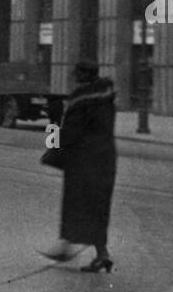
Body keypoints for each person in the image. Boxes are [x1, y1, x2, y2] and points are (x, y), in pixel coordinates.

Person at [40, 60, 116, 273]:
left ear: (83, 76)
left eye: (77, 75)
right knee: (96, 207)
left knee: (76, 204)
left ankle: (66, 248)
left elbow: (70, 133)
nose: (74, 78)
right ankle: (101, 254)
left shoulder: (81, 101)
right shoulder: (106, 96)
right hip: (105, 156)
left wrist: (53, 126)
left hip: (84, 159)